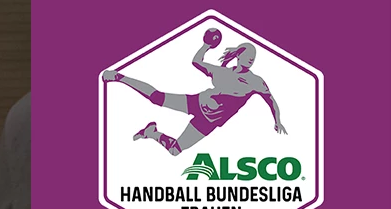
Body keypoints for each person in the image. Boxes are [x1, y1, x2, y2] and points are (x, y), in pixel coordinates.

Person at [103, 38, 286, 156]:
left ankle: (151, 132)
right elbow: (196, 62)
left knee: (175, 150)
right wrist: (206, 45)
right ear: (238, 55)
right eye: (248, 54)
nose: (251, 58)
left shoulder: (256, 82)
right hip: (197, 102)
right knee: (157, 98)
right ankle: (119, 77)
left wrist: (277, 120)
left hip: (209, 121)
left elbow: (271, 101)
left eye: (254, 56)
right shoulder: (221, 72)